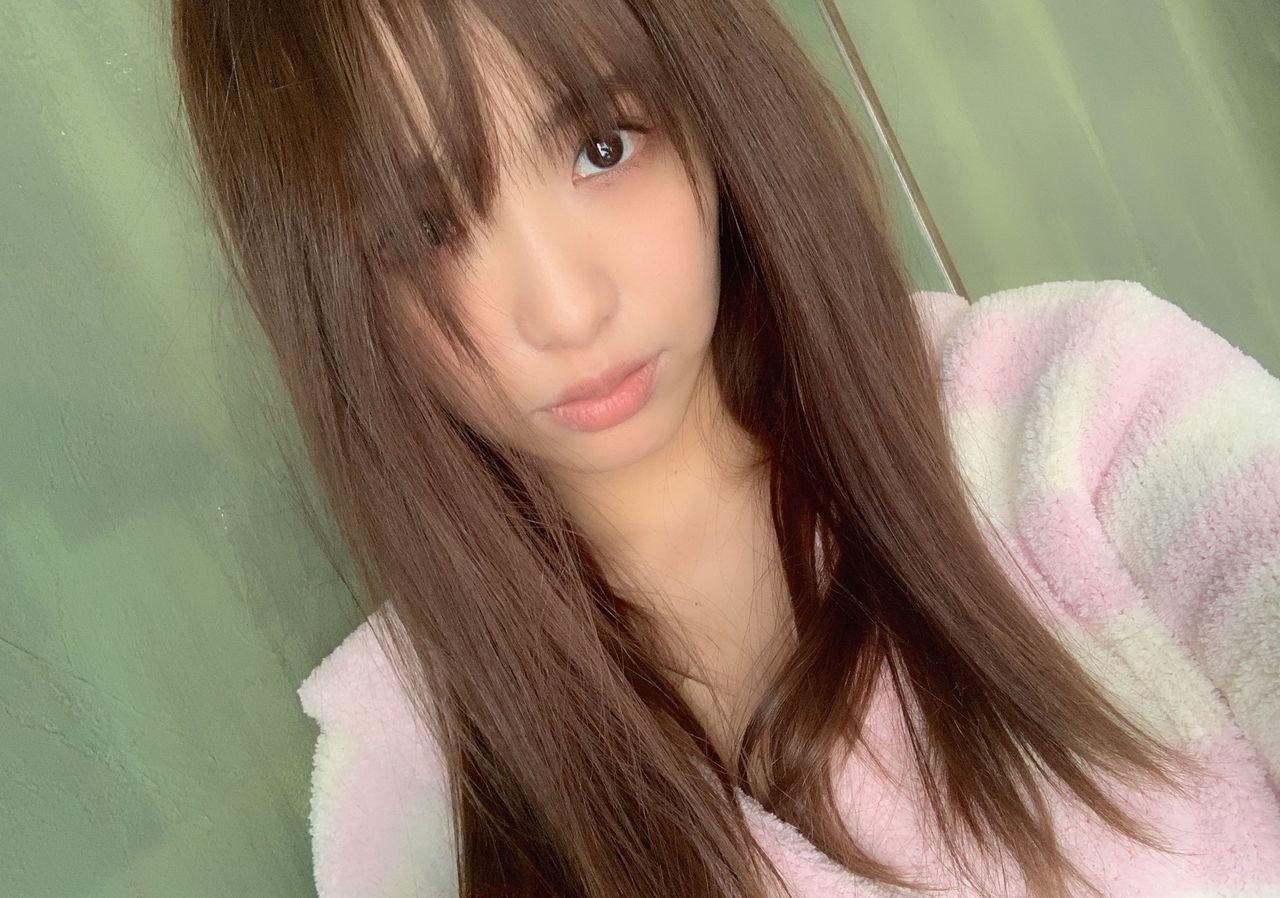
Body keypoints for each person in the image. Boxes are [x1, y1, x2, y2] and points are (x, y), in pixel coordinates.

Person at [168, 1, 1280, 896]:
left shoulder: (1079, 408)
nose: (565, 308)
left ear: (709, 107)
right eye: (428, 229)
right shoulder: (414, 784)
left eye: (602, 146)